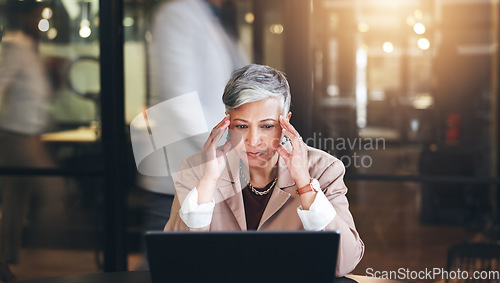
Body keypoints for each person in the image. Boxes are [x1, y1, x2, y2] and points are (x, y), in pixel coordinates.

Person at [164, 64, 364, 277]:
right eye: (241, 126)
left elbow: (344, 263)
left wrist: (304, 184)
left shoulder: (324, 170)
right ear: (227, 123)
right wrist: (208, 181)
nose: (253, 141)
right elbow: (175, 262)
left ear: (285, 122)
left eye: (267, 126)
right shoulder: (198, 170)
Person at [136, 0, 248, 268]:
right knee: (165, 266)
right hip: (180, 177)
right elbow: (180, 100)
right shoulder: (178, 14)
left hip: (218, 175)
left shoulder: (219, 20)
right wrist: (235, 147)